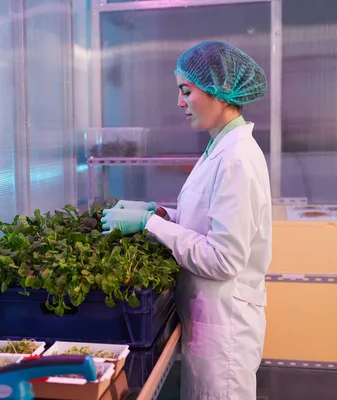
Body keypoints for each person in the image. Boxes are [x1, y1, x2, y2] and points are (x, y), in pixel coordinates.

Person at [101, 41, 272, 400]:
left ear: (219, 92)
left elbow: (223, 258)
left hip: (225, 328)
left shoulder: (237, 158)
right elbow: (206, 222)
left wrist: (149, 225)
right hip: (207, 319)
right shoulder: (218, 148)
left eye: (185, 90)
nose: (179, 102)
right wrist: (161, 214)